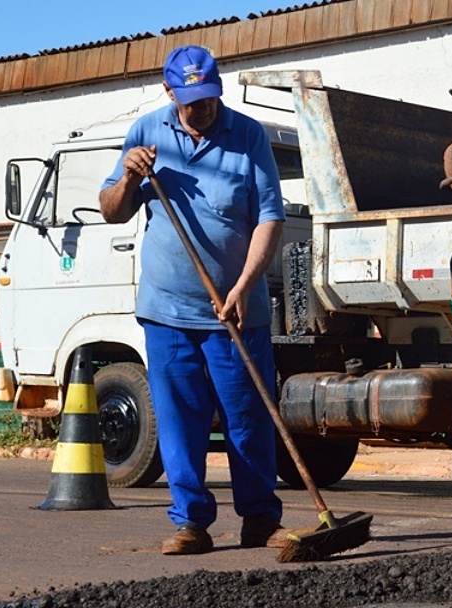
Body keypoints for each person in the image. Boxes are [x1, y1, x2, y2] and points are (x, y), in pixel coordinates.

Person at [99, 45, 288, 555]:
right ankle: (191, 523)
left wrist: (244, 284)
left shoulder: (247, 135)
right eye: (190, 100)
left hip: (235, 309)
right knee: (180, 421)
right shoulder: (146, 134)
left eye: (208, 97)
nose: (201, 108)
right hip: (167, 310)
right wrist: (130, 176)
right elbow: (111, 211)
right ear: (168, 92)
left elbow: (270, 216)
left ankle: (260, 519)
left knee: (247, 418)